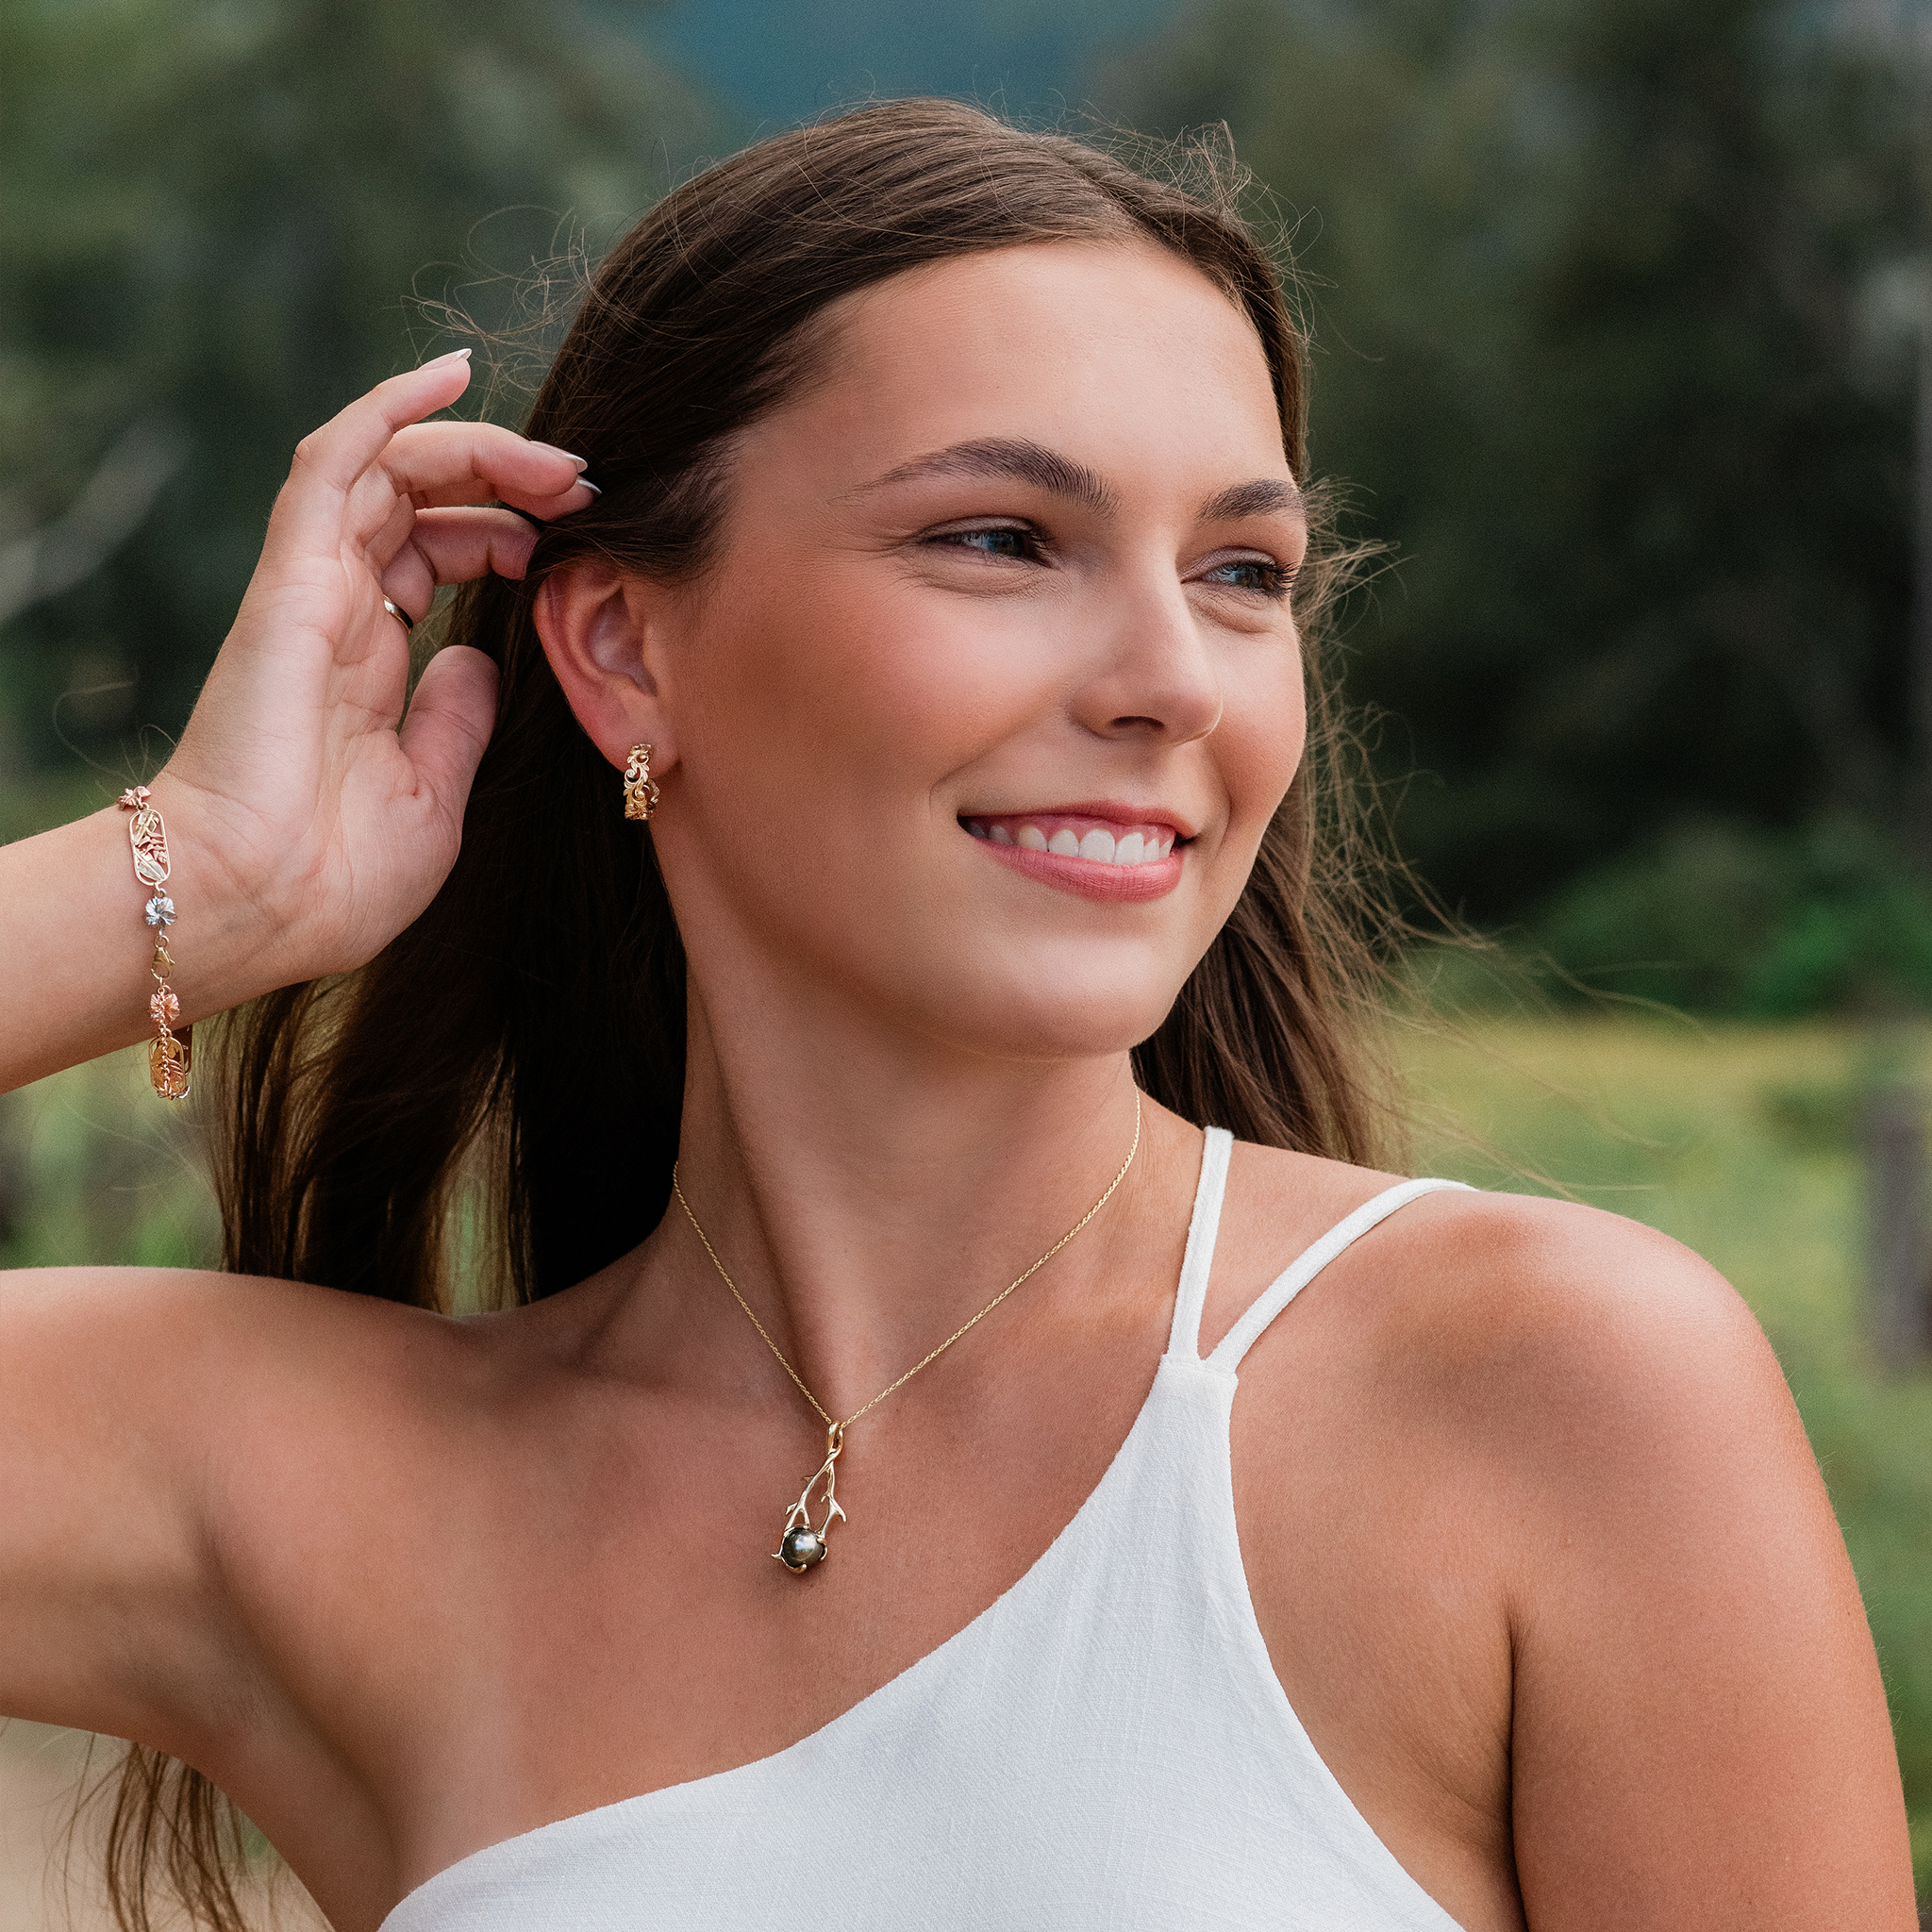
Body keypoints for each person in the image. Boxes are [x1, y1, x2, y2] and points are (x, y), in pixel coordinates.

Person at [0, 98, 1913, 1932]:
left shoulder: (1546, 1393)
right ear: (619, 646)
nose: (1173, 676)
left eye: (1243, 573)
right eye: (1001, 537)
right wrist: (188, 875)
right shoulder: (344, 1493)